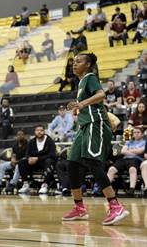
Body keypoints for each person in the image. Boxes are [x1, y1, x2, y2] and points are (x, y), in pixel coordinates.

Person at [62, 53, 129, 226]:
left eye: (79, 61)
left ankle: (115, 206)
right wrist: (78, 107)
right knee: (72, 164)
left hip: (95, 124)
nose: (74, 64)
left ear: (88, 65)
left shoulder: (90, 77)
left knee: (92, 162)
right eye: (74, 61)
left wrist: (83, 104)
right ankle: (79, 208)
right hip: (84, 127)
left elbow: (101, 95)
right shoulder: (81, 83)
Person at [107, 127, 145, 197]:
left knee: (132, 169)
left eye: (138, 132)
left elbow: (141, 151)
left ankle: (131, 189)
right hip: (124, 159)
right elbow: (123, 151)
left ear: (142, 134)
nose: (136, 134)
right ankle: (106, 189)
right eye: (135, 132)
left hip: (136, 159)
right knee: (111, 169)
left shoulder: (144, 142)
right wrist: (134, 151)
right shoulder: (129, 142)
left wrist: (129, 151)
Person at [18, 125, 57, 195]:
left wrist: (38, 158)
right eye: (37, 130)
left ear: (44, 131)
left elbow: (52, 155)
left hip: (44, 162)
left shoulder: (49, 141)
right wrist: (29, 158)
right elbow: (27, 154)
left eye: (41, 130)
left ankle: (45, 184)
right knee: (22, 162)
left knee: (49, 161)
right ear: (34, 132)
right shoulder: (31, 141)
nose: (39, 132)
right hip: (34, 163)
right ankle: (26, 183)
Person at [0, 130, 27, 194]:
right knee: (2, 166)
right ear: (16, 136)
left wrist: (17, 161)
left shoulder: (28, 144)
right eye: (18, 135)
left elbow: (27, 157)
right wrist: (13, 159)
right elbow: (13, 154)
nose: (20, 136)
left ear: (24, 136)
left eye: (22, 135)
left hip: (24, 163)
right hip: (16, 162)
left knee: (18, 166)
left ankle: (12, 184)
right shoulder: (15, 145)